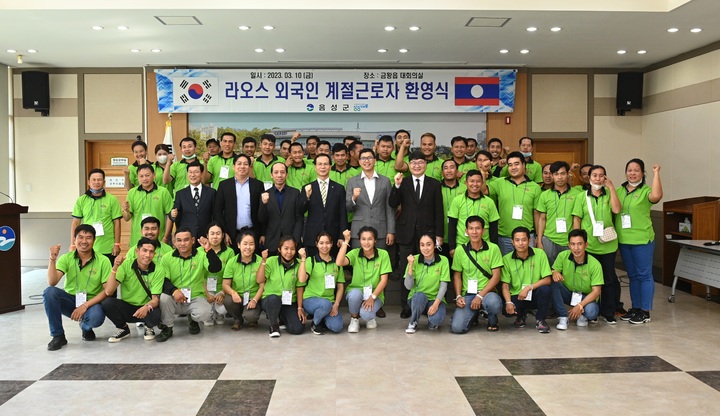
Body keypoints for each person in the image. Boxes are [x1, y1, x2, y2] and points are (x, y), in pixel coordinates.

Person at [389, 150, 445, 318]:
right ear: (409, 165)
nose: (417, 165)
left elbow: (438, 211)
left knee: (427, 269)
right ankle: (406, 306)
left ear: (425, 165)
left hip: (427, 235)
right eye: (413, 163)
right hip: (406, 233)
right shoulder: (403, 182)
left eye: (421, 162)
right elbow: (392, 203)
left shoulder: (434, 184)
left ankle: (427, 302)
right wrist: (396, 185)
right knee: (407, 269)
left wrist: (439, 235)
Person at [44, 224, 111, 350]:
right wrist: (52, 259)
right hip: (70, 299)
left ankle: (85, 327)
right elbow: (52, 282)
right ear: (74, 240)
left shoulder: (103, 261)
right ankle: (58, 336)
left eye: (89, 237)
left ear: (94, 240)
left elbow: (107, 291)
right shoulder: (66, 258)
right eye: (80, 237)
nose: (84, 241)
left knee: (96, 317)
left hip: (91, 302)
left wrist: (85, 305)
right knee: (49, 292)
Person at [572, 164, 621, 324]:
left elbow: (616, 210)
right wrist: (578, 242)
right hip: (590, 246)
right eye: (595, 175)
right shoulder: (581, 197)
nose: (598, 178)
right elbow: (577, 219)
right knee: (591, 281)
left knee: (608, 280)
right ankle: (593, 311)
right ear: (589, 177)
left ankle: (608, 312)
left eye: (601, 175)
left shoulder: (608, 194)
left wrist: (612, 188)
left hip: (608, 245)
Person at [616, 160, 663, 324]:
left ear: (643, 173)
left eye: (636, 170)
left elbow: (656, 196)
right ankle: (635, 308)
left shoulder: (646, 191)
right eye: (629, 170)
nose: (632, 173)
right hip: (624, 240)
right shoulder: (619, 190)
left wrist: (656, 173)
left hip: (642, 240)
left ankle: (645, 311)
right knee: (633, 276)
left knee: (644, 275)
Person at [155, 228, 221, 342]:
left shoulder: (201, 255)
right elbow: (164, 280)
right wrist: (174, 291)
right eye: (179, 240)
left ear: (193, 240)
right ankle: (168, 328)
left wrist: (209, 250)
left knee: (206, 313)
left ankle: (193, 320)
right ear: (174, 242)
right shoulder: (167, 258)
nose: (182, 243)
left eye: (186, 240)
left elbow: (215, 268)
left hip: (195, 297)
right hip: (175, 297)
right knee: (164, 298)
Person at [101, 238, 164, 342]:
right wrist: (115, 268)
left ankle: (148, 327)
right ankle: (123, 328)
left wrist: (146, 307)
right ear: (137, 251)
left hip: (146, 308)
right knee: (107, 303)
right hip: (129, 308)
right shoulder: (126, 264)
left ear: (154, 254)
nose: (147, 255)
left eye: (151, 251)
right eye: (144, 250)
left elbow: (155, 299)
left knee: (156, 314)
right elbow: (109, 291)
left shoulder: (158, 269)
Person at [449, 216, 503, 334]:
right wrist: (458, 296)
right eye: (471, 228)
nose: (474, 232)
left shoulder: (493, 248)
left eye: (478, 228)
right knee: (457, 328)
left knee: (494, 303)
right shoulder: (460, 250)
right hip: (468, 294)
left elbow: (496, 276)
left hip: (487, 293)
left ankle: (492, 320)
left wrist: (480, 296)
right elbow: (457, 275)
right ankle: (473, 315)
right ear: (466, 231)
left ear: (483, 231)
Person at [336, 227, 391, 332]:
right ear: (359, 240)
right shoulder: (355, 253)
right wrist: (346, 241)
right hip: (356, 291)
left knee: (366, 314)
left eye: (370, 239)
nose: (366, 242)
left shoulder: (383, 254)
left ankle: (370, 317)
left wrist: (372, 297)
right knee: (354, 294)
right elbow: (339, 262)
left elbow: (384, 280)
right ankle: (354, 318)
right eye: (363, 239)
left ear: (375, 240)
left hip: (375, 294)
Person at [487, 151, 542, 255]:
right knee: (506, 268)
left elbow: (536, 214)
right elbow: (482, 190)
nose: (513, 167)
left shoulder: (535, 187)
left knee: (527, 269)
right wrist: (482, 170)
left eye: (516, 164)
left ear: (524, 165)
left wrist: (538, 237)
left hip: (527, 237)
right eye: (510, 165)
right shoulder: (500, 182)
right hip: (504, 237)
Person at [500, 226, 553, 333]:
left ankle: (540, 320)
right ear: (512, 242)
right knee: (505, 308)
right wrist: (508, 302)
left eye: (524, 240)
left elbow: (547, 279)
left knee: (545, 290)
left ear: (529, 240)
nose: (521, 243)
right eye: (517, 240)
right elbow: (505, 285)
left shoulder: (540, 254)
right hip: (518, 296)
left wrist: (529, 287)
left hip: (535, 294)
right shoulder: (506, 259)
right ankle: (521, 315)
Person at [552, 229, 603, 329]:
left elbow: (596, 292)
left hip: (586, 297)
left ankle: (582, 314)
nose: (576, 248)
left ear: (586, 245)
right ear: (569, 245)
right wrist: (555, 272)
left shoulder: (595, 264)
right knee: (552, 282)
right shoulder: (562, 256)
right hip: (569, 293)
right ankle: (563, 316)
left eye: (579, 244)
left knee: (591, 312)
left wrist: (580, 305)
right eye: (573, 244)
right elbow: (554, 270)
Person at [345, 149, 395, 249]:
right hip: (358, 231)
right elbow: (348, 208)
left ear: (375, 160)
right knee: (358, 261)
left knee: (380, 261)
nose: (366, 161)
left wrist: (391, 231)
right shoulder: (352, 181)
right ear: (359, 161)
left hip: (381, 230)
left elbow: (389, 208)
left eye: (369, 158)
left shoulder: (385, 181)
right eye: (363, 158)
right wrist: (354, 197)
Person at [257, 237, 306, 337]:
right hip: (270, 300)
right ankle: (273, 325)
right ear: (279, 249)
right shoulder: (271, 261)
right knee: (274, 299)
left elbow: (300, 287)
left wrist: (300, 308)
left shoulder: (298, 264)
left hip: (289, 302)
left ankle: (282, 317)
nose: (289, 252)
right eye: (286, 248)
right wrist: (263, 261)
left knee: (297, 329)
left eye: (292, 249)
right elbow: (260, 280)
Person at [71, 168, 122, 264]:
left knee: (108, 275)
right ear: (88, 182)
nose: (96, 182)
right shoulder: (81, 200)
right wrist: (73, 243)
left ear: (104, 182)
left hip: (107, 246)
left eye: (99, 179)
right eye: (93, 179)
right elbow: (75, 222)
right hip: (86, 244)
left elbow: (117, 223)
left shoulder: (112, 200)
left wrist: (117, 244)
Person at [535, 161, 581, 266]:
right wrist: (539, 240)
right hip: (549, 239)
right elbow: (542, 219)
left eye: (562, 173)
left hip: (568, 240)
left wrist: (575, 240)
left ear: (567, 174)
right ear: (552, 176)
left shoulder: (577, 194)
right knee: (549, 270)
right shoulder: (545, 195)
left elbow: (577, 219)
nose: (559, 177)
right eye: (556, 174)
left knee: (568, 269)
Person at [299, 232, 345, 334]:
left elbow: (340, 286)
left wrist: (336, 304)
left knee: (337, 327)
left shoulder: (337, 263)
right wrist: (303, 259)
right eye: (321, 243)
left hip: (329, 302)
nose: (324, 246)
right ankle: (315, 323)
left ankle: (322, 317)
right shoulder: (311, 261)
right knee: (325, 304)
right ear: (317, 244)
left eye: (327, 243)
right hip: (311, 299)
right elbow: (302, 279)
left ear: (332, 244)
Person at [302, 154, 348, 257]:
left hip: (333, 237)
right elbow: (300, 210)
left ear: (330, 166)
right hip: (313, 236)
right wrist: (307, 197)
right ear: (315, 167)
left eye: (326, 164)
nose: (323, 167)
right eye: (319, 164)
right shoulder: (307, 187)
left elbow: (342, 214)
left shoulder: (339, 188)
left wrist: (342, 236)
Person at [213, 154, 264, 246]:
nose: (242, 167)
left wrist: (263, 233)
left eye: (245, 164)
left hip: (253, 232)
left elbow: (263, 210)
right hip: (231, 233)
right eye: (239, 164)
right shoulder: (224, 185)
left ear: (249, 167)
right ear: (233, 167)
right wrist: (224, 232)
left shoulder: (258, 185)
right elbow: (218, 211)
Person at [403, 233, 451, 333]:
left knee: (435, 321)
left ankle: (431, 319)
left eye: (429, 244)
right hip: (417, 300)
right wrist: (410, 266)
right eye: (422, 245)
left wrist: (436, 305)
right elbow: (408, 286)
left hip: (435, 300)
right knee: (419, 296)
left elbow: (443, 286)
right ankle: (413, 322)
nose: (425, 248)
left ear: (435, 245)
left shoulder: (443, 260)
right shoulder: (414, 260)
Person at [258, 162, 304, 256]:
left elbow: (299, 218)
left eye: (282, 172)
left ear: (286, 175)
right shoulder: (265, 194)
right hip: (272, 240)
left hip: (291, 241)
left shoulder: (295, 193)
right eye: (276, 172)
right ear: (271, 175)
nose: (279, 175)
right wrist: (263, 204)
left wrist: (296, 239)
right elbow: (262, 219)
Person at [122, 164, 173, 247]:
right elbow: (127, 218)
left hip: (158, 238)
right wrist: (125, 211)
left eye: (147, 175)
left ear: (154, 175)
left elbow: (170, 216)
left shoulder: (163, 192)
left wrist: (166, 237)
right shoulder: (132, 193)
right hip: (137, 240)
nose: (144, 179)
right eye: (141, 176)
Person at [448, 170, 500, 251]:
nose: (475, 184)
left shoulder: (489, 202)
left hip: (484, 246)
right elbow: (452, 225)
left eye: (478, 181)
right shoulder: (457, 200)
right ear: (466, 183)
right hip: (462, 245)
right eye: (472, 181)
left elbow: (493, 227)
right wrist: (452, 247)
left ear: (482, 183)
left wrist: (494, 247)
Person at [223, 230, 264, 330]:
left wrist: (255, 300)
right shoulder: (232, 262)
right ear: (238, 245)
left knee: (251, 316)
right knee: (228, 300)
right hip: (238, 296)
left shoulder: (260, 262)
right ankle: (238, 319)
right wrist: (233, 293)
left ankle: (252, 320)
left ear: (255, 246)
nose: (248, 247)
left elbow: (263, 285)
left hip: (254, 297)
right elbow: (225, 284)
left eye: (251, 244)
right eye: (245, 244)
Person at [168, 161, 216, 241]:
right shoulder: (180, 194)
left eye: (196, 172)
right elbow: (174, 213)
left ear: (202, 173)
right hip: (187, 237)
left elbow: (215, 214)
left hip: (206, 236)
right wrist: (172, 215)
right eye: (190, 172)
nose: (192, 175)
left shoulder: (211, 192)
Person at [202, 222, 235, 326]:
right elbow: (198, 275)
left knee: (224, 308)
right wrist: (206, 293)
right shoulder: (199, 251)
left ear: (223, 235)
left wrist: (223, 293)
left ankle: (219, 314)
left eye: (218, 233)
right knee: (204, 304)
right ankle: (208, 314)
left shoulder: (229, 252)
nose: (215, 236)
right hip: (204, 288)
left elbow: (231, 275)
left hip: (222, 288)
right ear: (207, 235)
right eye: (212, 233)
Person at [440, 160, 466, 253]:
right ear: (442, 173)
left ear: (457, 171)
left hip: (460, 238)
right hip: (440, 237)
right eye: (445, 168)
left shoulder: (465, 189)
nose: (449, 170)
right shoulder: (436, 188)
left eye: (452, 167)